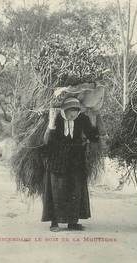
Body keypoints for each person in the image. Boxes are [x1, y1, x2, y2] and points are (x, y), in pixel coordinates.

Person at [42, 97, 100, 232]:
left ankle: (73, 222)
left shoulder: (82, 119)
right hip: (57, 160)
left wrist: (94, 123)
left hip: (76, 160)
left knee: (75, 190)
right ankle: (54, 222)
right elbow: (46, 142)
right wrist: (50, 126)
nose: (73, 114)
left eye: (76, 110)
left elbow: (92, 136)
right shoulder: (55, 119)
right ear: (64, 110)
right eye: (70, 110)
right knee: (57, 190)